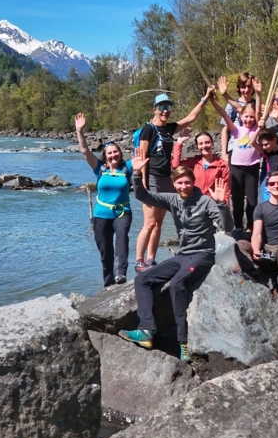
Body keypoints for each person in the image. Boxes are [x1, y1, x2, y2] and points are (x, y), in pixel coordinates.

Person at [120, 159, 232, 362]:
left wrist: (221, 204)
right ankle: (146, 330)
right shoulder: (172, 200)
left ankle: (183, 342)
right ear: (174, 184)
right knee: (142, 280)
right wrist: (136, 175)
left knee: (177, 284)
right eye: (179, 183)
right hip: (183, 255)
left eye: (187, 182)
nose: (183, 186)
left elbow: (228, 227)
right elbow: (143, 195)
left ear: (192, 182)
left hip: (203, 254)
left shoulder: (205, 201)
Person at [133, 89, 214, 273]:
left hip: (166, 179)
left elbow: (190, 118)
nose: (165, 111)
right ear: (154, 109)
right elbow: (143, 157)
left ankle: (151, 259)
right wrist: (143, 184)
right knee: (149, 222)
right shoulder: (148, 129)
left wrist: (204, 98)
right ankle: (139, 260)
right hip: (152, 178)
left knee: (159, 223)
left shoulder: (168, 128)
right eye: (161, 107)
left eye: (168, 107)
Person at [75, 113, 132, 286]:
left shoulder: (126, 167)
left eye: (115, 152)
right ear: (105, 156)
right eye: (110, 153)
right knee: (105, 250)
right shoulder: (99, 168)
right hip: (101, 214)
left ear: (120, 153)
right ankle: (108, 283)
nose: (113, 155)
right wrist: (79, 130)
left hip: (122, 212)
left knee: (122, 237)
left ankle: (121, 274)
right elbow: (85, 150)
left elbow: (141, 158)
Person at [236, 169, 278, 295]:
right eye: (272, 184)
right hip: (266, 251)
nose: (276, 186)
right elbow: (257, 233)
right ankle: (253, 273)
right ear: (267, 187)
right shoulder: (260, 208)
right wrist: (255, 250)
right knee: (240, 244)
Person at [213, 98, 262, 236]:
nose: (249, 119)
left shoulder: (258, 128)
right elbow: (224, 114)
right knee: (237, 199)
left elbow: (259, 112)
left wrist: (258, 94)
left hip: (252, 167)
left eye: (251, 117)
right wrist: (213, 101)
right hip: (236, 167)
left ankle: (250, 226)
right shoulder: (237, 130)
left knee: (252, 199)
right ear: (241, 116)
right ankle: (239, 226)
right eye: (246, 116)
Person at [170, 126, 230, 197]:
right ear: (197, 146)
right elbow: (175, 165)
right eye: (200, 144)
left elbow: (226, 189)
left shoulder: (222, 165)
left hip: (212, 204)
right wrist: (179, 142)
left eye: (207, 142)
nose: (204, 146)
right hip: (194, 202)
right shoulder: (192, 162)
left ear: (212, 143)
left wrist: (223, 205)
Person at [217, 73, 259, 162]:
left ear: (253, 87)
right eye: (243, 86)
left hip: (253, 148)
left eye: (249, 86)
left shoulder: (257, 105)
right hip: (234, 146)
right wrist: (224, 153)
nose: (246, 90)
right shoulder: (230, 106)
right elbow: (225, 129)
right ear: (239, 87)